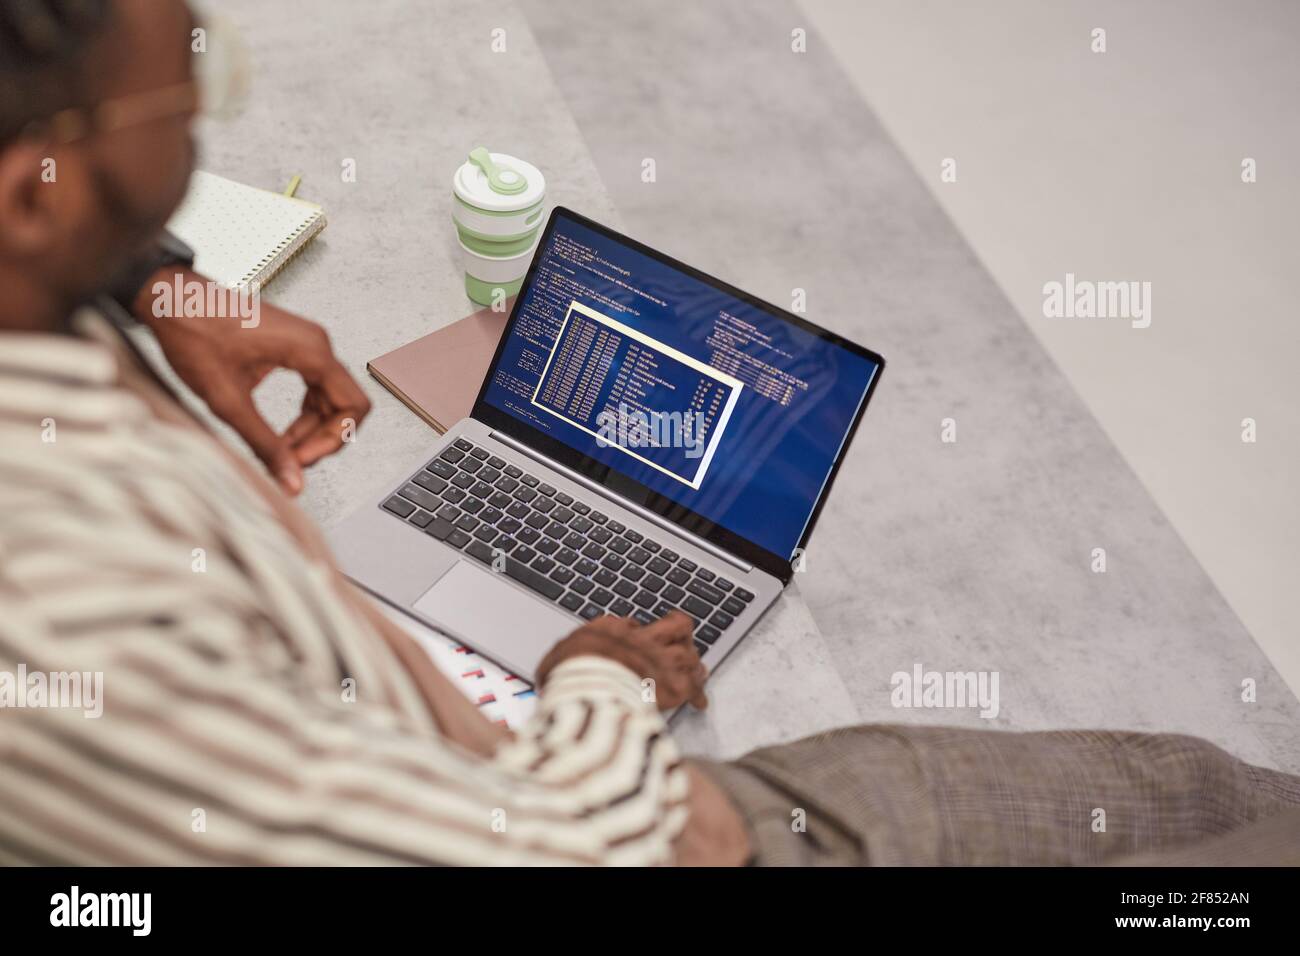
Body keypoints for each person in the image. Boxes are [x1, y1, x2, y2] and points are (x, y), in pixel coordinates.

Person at [1, 0, 1296, 867]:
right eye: (184, 87)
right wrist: (600, 674)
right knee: (1204, 813)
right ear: (32, 196)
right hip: (640, 830)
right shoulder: (67, 618)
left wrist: (150, 280)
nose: (202, 108)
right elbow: (561, 848)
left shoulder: (47, 287)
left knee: (1207, 799)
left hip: (443, 732)